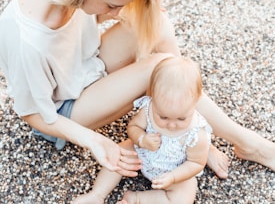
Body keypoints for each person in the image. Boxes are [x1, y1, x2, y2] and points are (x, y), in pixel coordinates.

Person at [0, 0, 275, 189]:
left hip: (86, 66)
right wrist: (95, 141)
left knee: (155, 21)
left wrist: (125, 10)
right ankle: (244, 142)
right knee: (160, 67)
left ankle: (190, 129)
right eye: (111, 5)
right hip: (64, 110)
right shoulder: (29, 40)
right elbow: (33, 114)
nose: (116, 12)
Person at [73, 56, 212, 204]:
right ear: (153, 98)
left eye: (181, 119)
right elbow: (133, 127)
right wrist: (141, 139)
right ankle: (97, 194)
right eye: (163, 117)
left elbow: (196, 163)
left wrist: (173, 177)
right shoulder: (149, 109)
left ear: (196, 102)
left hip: (174, 170)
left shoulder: (196, 134)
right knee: (119, 153)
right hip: (142, 154)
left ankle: (137, 199)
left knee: (184, 196)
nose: (171, 125)